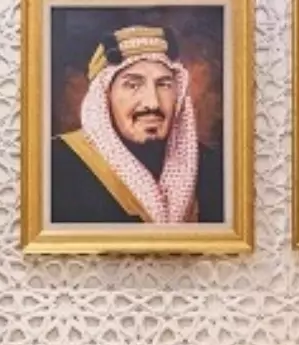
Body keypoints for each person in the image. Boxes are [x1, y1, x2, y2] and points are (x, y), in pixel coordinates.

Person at [50, 24, 224, 224]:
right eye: (132, 85)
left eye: (164, 85)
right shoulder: (56, 165)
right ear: (105, 98)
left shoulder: (212, 168)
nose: (153, 102)